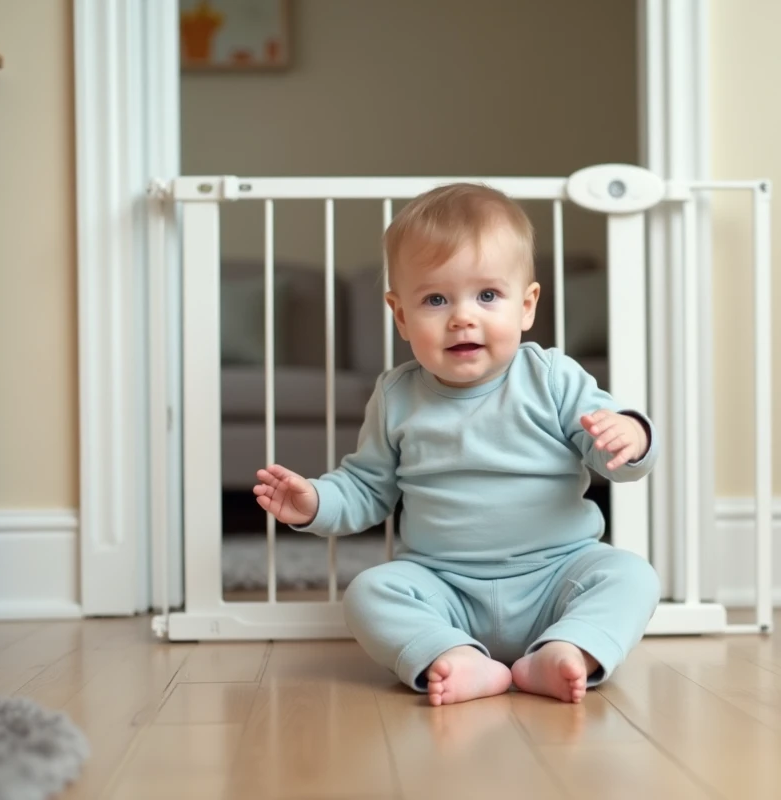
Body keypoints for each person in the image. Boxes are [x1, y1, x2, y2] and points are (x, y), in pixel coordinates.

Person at [253, 182, 660, 706]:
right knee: (370, 593)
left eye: (487, 295)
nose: (462, 316)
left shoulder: (552, 377)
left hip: (557, 578)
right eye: (435, 299)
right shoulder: (398, 396)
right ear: (400, 316)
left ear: (527, 305)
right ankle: (456, 656)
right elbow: (366, 487)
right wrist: (314, 503)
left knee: (631, 575)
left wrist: (629, 435)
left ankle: (567, 647)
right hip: (445, 586)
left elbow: (612, 453)